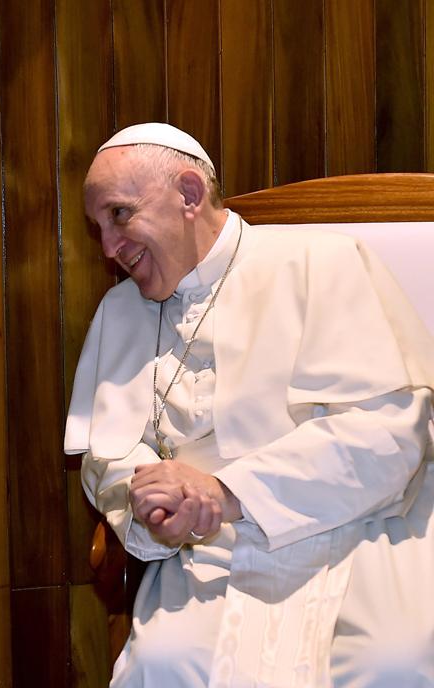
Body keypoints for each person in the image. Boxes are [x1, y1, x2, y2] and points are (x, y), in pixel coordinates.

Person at [65, 122, 434, 686]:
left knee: (389, 664)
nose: (110, 247)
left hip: (365, 535)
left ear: (188, 194)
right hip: (211, 553)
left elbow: (390, 435)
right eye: (99, 226)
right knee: (163, 666)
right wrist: (154, 508)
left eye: (119, 215)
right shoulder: (121, 311)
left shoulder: (323, 261)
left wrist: (230, 491)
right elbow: (107, 456)